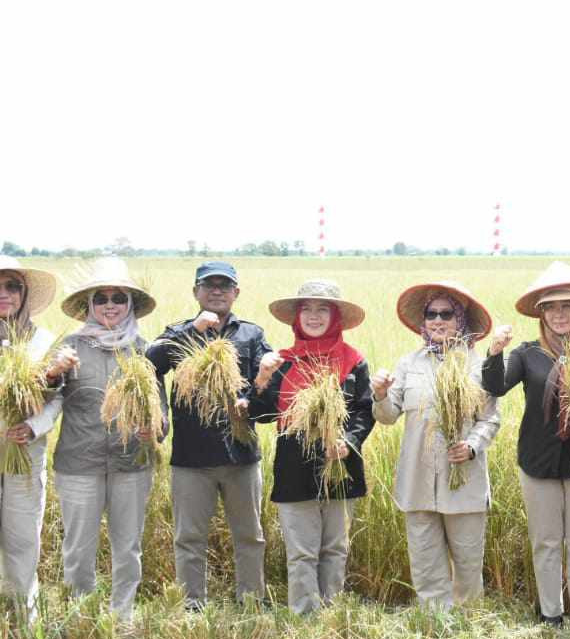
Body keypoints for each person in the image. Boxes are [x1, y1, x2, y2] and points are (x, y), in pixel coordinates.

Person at [484, 262, 570, 628]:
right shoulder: (528, 354)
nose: (559, 315)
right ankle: (550, 612)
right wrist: (495, 352)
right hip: (538, 461)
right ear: (541, 314)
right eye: (551, 308)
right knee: (545, 542)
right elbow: (496, 387)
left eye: (567, 307)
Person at [147, 261, 270, 607]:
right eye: (209, 285)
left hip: (241, 455)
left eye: (224, 285)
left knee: (249, 535)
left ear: (236, 293)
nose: (217, 290)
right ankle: (191, 604)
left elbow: (269, 380)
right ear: (196, 292)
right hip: (191, 459)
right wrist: (192, 331)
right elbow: (150, 362)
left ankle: (251, 601)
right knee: (189, 537)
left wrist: (250, 400)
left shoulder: (251, 334)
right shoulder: (177, 331)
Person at [373, 281, 499, 610]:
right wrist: (381, 394)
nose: (438, 321)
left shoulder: (476, 365)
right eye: (432, 314)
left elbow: (490, 419)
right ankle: (434, 626)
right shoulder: (409, 363)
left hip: (464, 482)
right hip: (417, 483)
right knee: (426, 566)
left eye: (447, 314)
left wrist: (471, 446)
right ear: (423, 321)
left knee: (468, 566)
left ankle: (467, 628)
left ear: (460, 320)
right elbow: (387, 417)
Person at [249, 280, 374, 615]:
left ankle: (331, 614)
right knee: (302, 551)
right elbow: (261, 413)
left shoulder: (353, 361)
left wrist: (348, 443)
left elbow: (365, 409)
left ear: (335, 318)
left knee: (335, 548)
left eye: (323, 310)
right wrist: (261, 378)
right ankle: (304, 618)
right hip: (295, 466)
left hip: (340, 466)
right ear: (297, 317)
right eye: (308, 309)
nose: (314, 317)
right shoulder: (281, 362)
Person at [53, 258, 166, 618]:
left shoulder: (145, 351)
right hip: (78, 464)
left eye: (118, 297)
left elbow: (161, 414)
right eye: (101, 298)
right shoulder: (68, 348)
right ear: (90, 305)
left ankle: (123, 617)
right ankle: (81, 618)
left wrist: (155, 429)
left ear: (130, 304)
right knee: (78, 549)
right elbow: (44, 399)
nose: (110, 305)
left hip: (130, 463)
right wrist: (54, 371)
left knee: (128, 547)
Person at [0, 257, 73, 613]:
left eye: (12, 286)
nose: (4, 294)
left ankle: (23, 624)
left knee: (22, 540)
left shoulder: (43, 341)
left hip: (24, 457)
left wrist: (33, 426)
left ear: (24, 294)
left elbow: (56, 398)